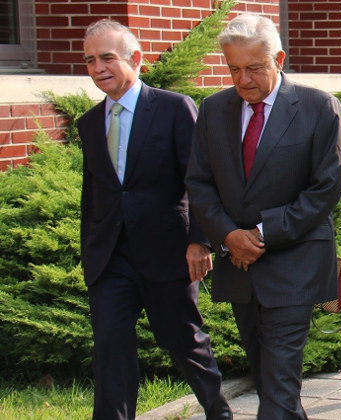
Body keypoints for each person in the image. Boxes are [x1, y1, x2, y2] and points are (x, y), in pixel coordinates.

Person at [184, 13, 341, 419]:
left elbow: (324, 190)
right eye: (234, 69)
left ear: (279, 58)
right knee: (270, 378)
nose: (243, 80)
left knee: (276, 388)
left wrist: (259, 233)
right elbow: (199, 183)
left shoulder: (318, 107)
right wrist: (227, 235)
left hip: (295, 261)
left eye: (254, 68)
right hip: (238, 265)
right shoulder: (214, 109)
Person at [78, 19, 230, 420]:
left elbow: (199, 178)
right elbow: (92, 193)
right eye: (90, 60)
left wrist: (200, 240)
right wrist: (88, 253)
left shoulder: (174, 108)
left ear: (136, 59)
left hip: (168, 253)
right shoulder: (90, 123)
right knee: (110, 348)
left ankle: (218, 410)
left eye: (107, 58)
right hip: (110, 259)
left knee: (183, 341)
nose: (98, 68)